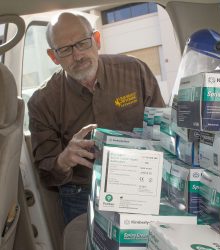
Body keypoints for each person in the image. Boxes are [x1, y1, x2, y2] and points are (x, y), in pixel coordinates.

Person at [28, 11, 165, 224]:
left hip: (140, 182)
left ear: (97, 40)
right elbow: (46, 174)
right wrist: (63, 160)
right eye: (65, 49)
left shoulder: (134, 70)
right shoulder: (42, 101)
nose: (78, 56)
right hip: (81, 192)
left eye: (83, 43)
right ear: (53, 56)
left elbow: (163, 133)